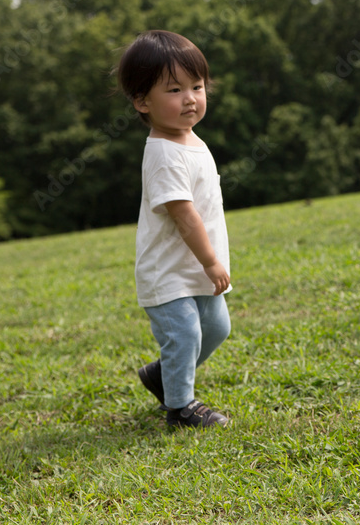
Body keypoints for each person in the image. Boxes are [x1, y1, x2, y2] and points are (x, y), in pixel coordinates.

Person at [116, 30, 232, 429]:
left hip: (195, 268)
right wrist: (212, 262)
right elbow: (184, 216)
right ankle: (180, 408)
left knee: (216, 328)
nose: (190, 98)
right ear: (142, 102)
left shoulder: (189, 140)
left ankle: (160, 375)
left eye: (197, 86)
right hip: (169, 273)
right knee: (185, 336)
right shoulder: (164, 153)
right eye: (174, 89)